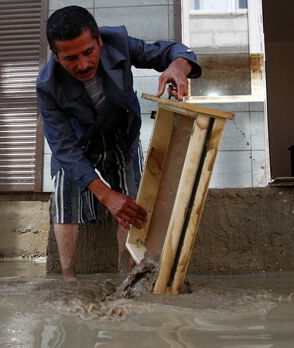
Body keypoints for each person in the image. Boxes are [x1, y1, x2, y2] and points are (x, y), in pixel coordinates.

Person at [37, 5, 201, 280]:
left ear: (99, 39)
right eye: (70, 58)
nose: (83, 64)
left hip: (121, 136)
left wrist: (176, 67)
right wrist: (105, 194)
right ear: (56, 56)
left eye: (88, 51)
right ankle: (68, 279)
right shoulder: (47, 85)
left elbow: (175, 51)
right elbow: (63, 147)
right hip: (79, 145)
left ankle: (127, 276)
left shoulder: (119, 43)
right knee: (65, 192)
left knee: (133, 204)